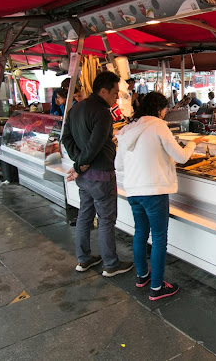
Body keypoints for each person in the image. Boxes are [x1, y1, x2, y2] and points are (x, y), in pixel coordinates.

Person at [116, 92, 207, 300]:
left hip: (133, 191)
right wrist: (194, 143)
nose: (166, 112)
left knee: (140, 233)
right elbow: (182, 157)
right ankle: (157, 287)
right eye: (165, 108)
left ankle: (142, 277)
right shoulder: (158, 125)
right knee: (158, 239)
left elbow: (118, 165)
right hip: (154, 191)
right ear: (158, 108)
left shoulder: (127, 129)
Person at [62, 71, 134, 277]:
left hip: (84, 178)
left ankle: (83, 259)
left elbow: (66, 138)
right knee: (105, 220)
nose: (116, 98)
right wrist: (81, 163)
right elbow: (96, 144)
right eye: (114, 94)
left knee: (85, 215)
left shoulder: (76, 108)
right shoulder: (102, 112)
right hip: (100, 173)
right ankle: (111, 264)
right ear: (103, 91)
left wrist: (78, 162)